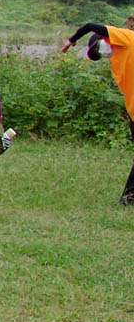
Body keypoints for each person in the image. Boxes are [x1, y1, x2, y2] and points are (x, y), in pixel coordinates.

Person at [59, 15, 134, 203]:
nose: (101, 51)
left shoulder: (126, 39)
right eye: (97, 52)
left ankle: (128, 198)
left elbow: (90, 25)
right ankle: (129, 197)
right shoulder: (116, 60)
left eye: (98, 46)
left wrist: (72, 40)